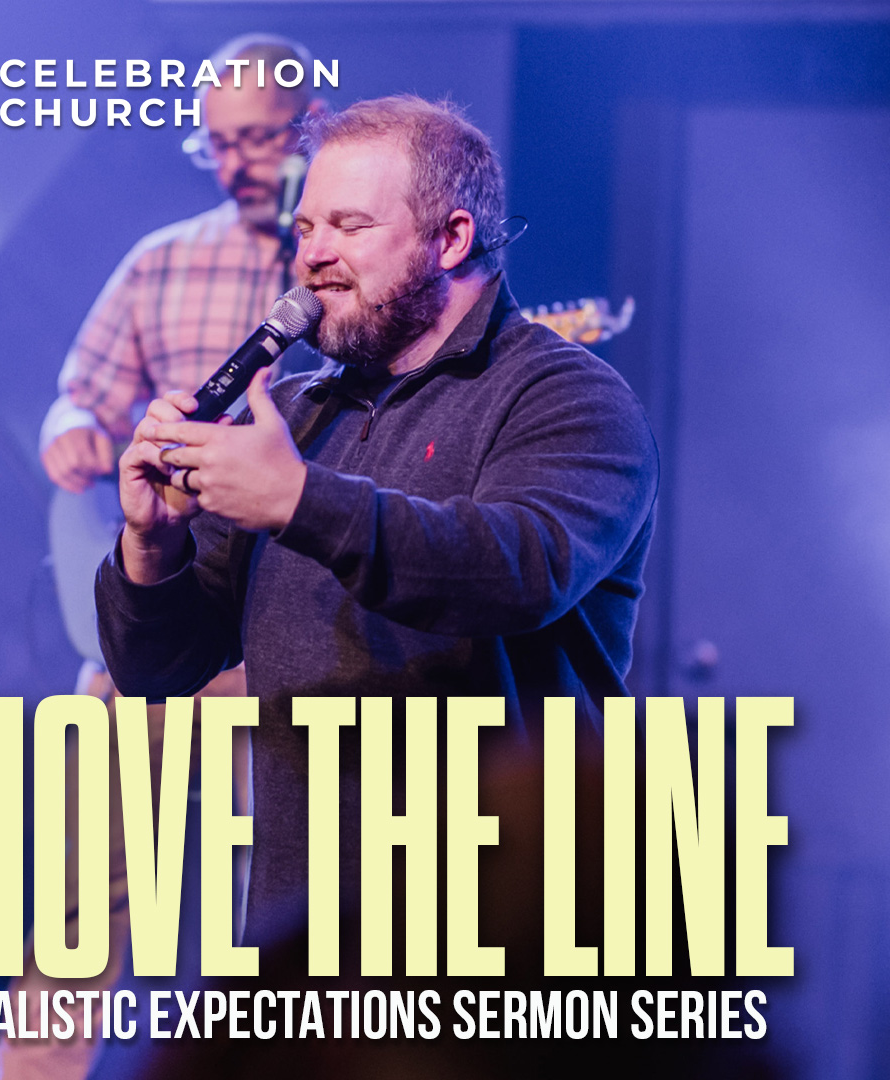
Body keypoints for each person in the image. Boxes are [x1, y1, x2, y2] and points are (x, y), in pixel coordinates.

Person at [95, 95, 660, 950]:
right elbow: (157, 667)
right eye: (306, 228)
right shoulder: (291, 413)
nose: (312, 254)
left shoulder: (566, 395)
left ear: (452, 238)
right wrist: (151, 541)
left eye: (349, 226)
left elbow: (519, 570)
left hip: (505, 939)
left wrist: (299, 501)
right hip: (305, 945)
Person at [0, 35, 320, 1080]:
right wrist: (71, 438)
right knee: (77, 903)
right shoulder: (161, 260)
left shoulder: (358, 276)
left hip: (294, 644)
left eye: (259, 138)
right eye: (218, 144)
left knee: (289, 915)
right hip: (164, 627)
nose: (237, 163)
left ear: (312, 129)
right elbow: (75, 398)